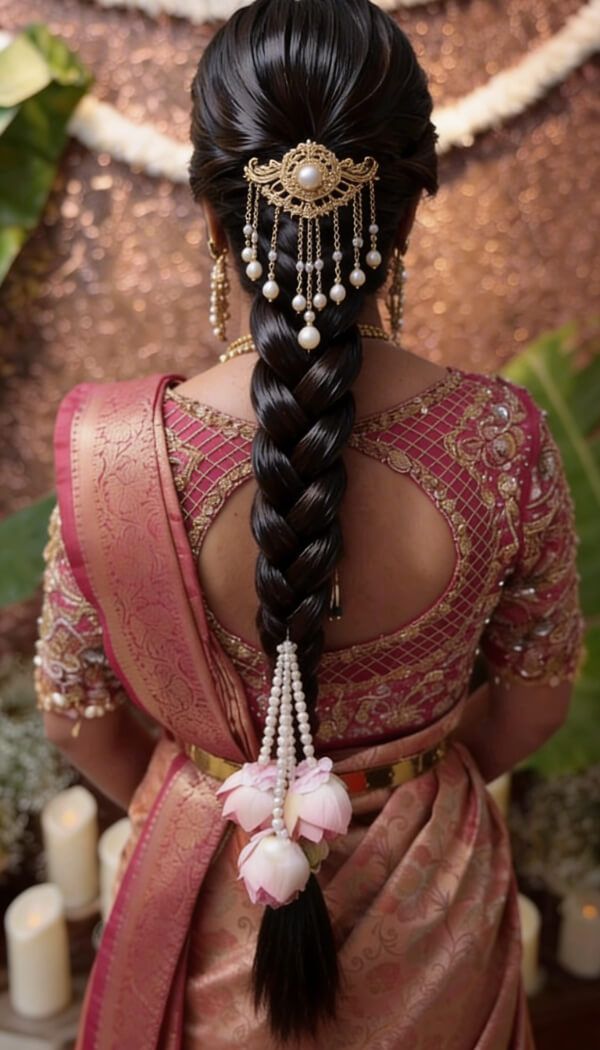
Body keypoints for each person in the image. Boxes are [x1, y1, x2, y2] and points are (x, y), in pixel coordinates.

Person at [35, 1, 584, 1047]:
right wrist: (398, 783)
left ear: (213, 216)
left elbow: (76, 716)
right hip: (438, 905)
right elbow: (534, 707)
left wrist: (214, 797)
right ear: (409, 211)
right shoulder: (505, 440)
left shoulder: (113, 461)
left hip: (206, 895)